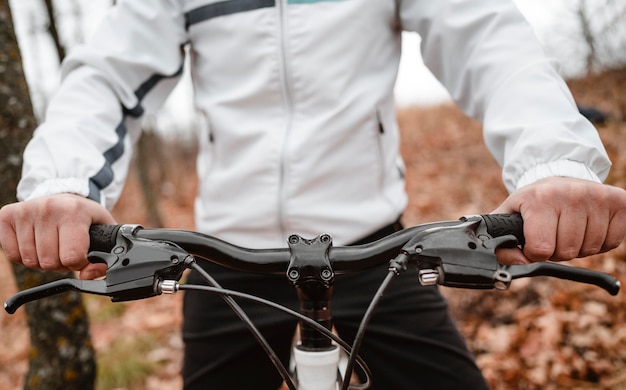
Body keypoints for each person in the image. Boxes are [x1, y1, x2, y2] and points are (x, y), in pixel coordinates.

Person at [1, 0, 625, 388]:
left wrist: (553, 166)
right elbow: (107, 75)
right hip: (225, 266)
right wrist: (64, 186)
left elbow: (489, 40)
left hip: (379, 250)